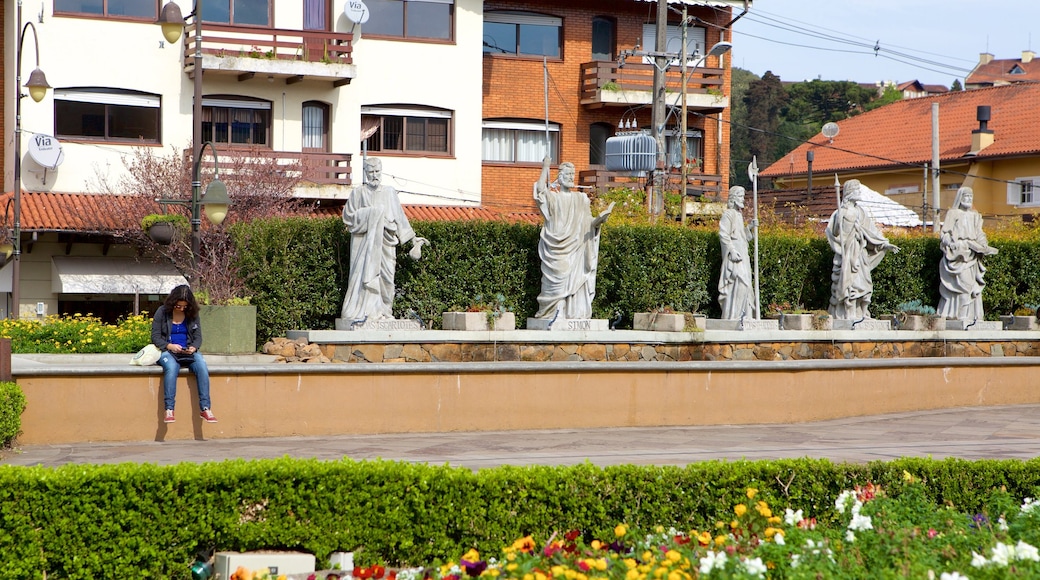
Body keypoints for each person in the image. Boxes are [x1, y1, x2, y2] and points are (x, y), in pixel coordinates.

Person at [341, 157, 428, 322]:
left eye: (377, 172)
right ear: (366, 173)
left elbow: (400, 218)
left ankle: (385, 312)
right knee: (364, 278)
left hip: (387, 244)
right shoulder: (358, 193)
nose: (374, 175)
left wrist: (413, 239)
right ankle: (366, 313)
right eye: (371, 172)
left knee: (387, 279)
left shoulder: (389, 192)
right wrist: (372, 214)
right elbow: (348, 218)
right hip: (365, 246)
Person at [532, 155, 614, 319]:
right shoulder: (553, 197)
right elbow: (540, 190)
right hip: (556, 249)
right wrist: (545, 167)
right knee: (555, 282)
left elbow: (588, 222)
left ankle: (572, 313)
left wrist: (598, 220)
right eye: (567, 175)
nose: (570, 178)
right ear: (560, 177)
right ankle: (552, 313)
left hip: (576, 248)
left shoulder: (581, 198)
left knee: (575, 281)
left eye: (572, 174)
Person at [826, 179, 900, 320]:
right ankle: (850, 313)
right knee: (850, 284)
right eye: (857, 190)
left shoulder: (860, 212)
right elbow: (834, 233)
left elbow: (871, 232)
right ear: (849, 193)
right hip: (848, 255)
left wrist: (884, 244)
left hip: (860, 255)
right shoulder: (840, 212)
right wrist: (840, 221)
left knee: (865, 284)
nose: (859, 193)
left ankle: (863, 313)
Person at [151, 284, 216, 423]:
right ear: (172, 302)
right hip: (167, 350)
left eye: (184, 307)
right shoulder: (162, 312)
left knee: (202, 366)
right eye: (178, 306)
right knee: (172, 368)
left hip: (187, 351)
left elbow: (198, 337)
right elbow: (155, 337)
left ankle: (205, 408)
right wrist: (169, 346)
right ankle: (169, 409)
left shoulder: (192, 315)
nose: (181, 309)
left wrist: (193, 347)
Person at [937, 186, 998, 320]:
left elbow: (980, 233)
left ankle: (971, 316)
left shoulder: (975, 215)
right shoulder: (953, 213)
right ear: (960, 198)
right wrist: (951, 243)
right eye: (966, 196)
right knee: (964, 285)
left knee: (971, 287)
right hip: (958, 255)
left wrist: (984, 245)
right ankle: (959, 316)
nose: (969, 199)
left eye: (971, 197)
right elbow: (945, 233)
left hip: (972, 255)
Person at [718, 186, 757, 319]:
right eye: (740, 197)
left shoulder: (739, 216)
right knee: (739, 282)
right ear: (734, 198)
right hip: (734, 256)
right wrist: (732, 251)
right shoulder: (728, 214)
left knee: (746, 286)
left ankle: (744, 315)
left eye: (743, 197)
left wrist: (750, 228)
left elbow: (742, 237)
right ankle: (732, 315)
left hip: (743, 254)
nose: (743, 200)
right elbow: (724, 235)